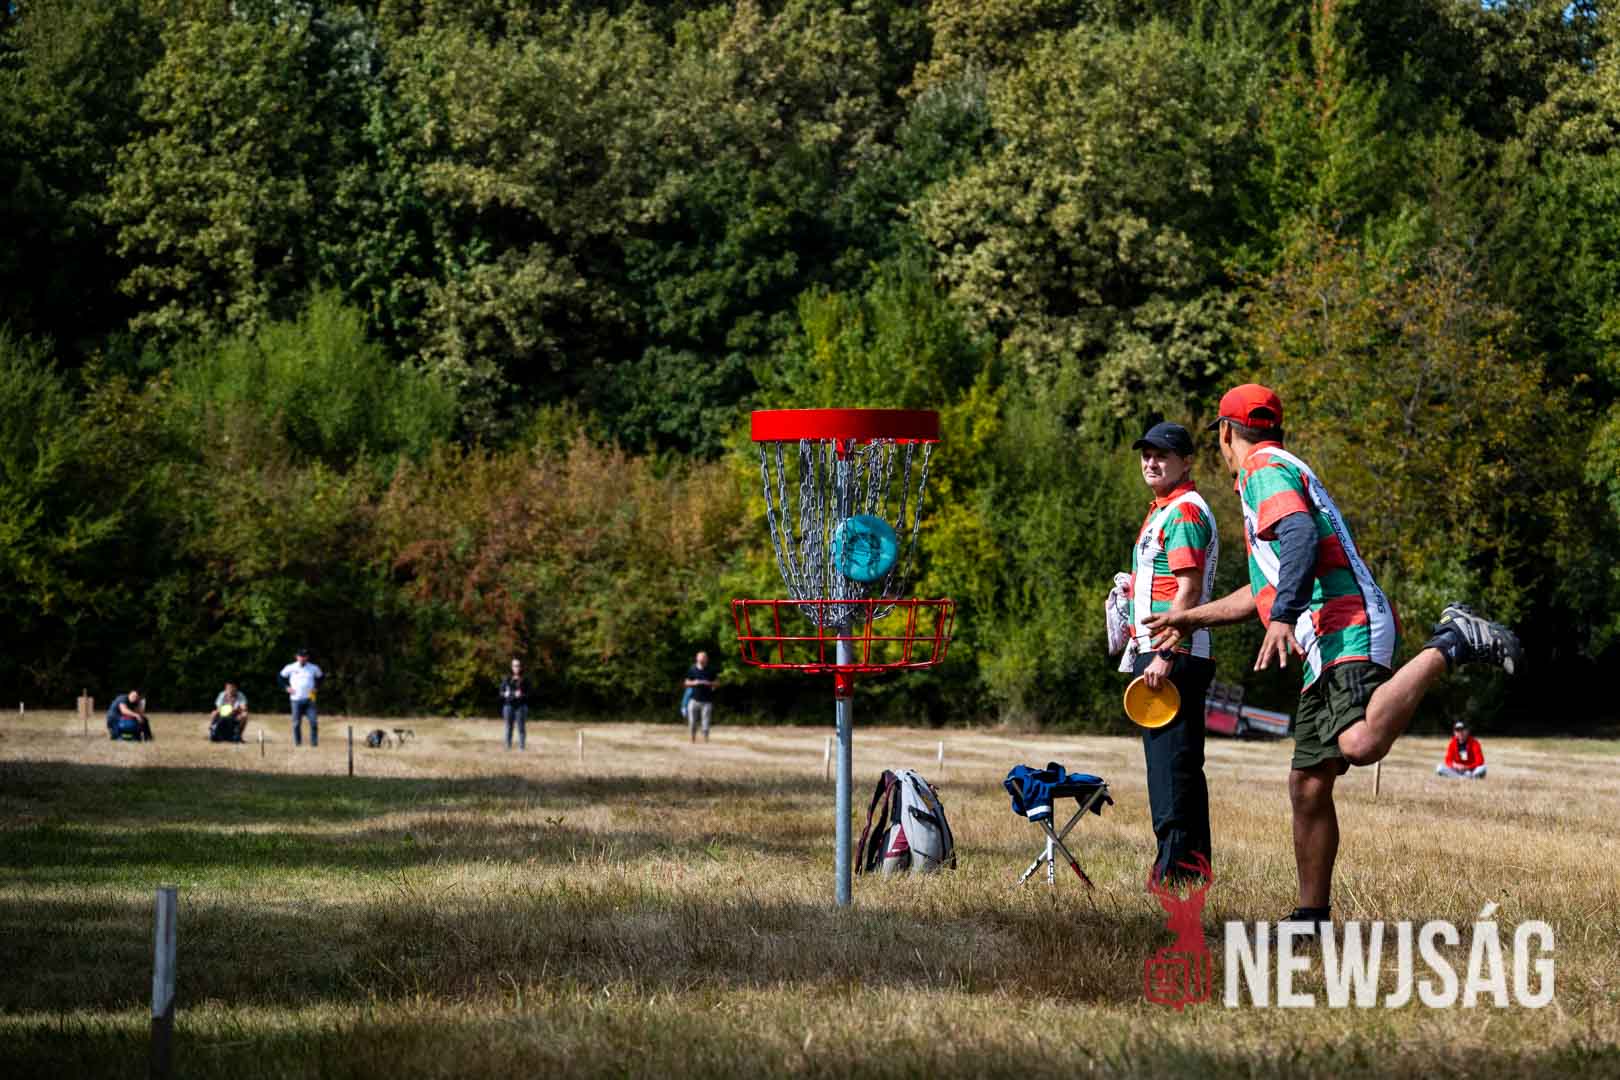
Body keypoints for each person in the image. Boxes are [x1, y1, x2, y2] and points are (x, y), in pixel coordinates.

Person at [1144, 383, 1522, 935]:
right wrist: (1190, 619)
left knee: (1359, 744)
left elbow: (1298, 536)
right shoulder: (1278, 469)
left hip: (1346, 622)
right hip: (1325, 633)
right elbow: (1263, 588)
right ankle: (1312, 918)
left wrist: (1283, 616)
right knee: (1308, 784)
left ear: (1226, 433)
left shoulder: (1263, 468)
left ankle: (1451, 643)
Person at [1118, 421, 1219, 885]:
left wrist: (1165, 653)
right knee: (1181, 765)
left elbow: (1189, 590)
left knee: (1169, 768)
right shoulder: (1166, 509)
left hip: (1171, 654)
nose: (1151, 462)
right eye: (1146, 455)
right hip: (1168, 649)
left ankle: (1173, 872)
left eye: (1162, 455)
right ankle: (1193, 868)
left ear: (1186, 461)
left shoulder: (1183, 512)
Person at [277, 647, 324, 747]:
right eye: (301, 656)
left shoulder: (313, 668)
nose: (302, 658)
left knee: (313, 722)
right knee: (296, 723)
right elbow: (280, 677)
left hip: (310, 698)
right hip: (295, 699)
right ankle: (298, 743)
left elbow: (321, 677)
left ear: (307, 657)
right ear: (297, 657)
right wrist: (286, 687)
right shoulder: (290, 667)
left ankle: (314, 744)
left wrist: (316, 687)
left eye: (304, 656)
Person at [684, 651, 718, 743]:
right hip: (693, 700)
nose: (702, 659)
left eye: (703, 658)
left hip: (707, 701)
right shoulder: (692, 669)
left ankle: (706, 739)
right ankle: (692, 738)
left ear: (707, 659)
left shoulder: (711, 670)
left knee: (705, 722)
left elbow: (716, 683)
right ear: (697, 658)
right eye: (700, 657)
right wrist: (695, 682)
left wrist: (709, 683)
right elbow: (686, 683)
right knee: (692, 722)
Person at [500, 658, 529, 751]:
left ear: (520, 667)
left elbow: (529, 694)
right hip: (508, 705)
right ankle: (507, 746)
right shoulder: (506, 678)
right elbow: (501, 692)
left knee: (521, 727)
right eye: (515, 666)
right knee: (508, 726)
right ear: (511, 667)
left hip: (521, 706)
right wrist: (505, 694)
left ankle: (521, 747)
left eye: (518, 666)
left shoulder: (524, 679)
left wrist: (521, 694)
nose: (516, 668)